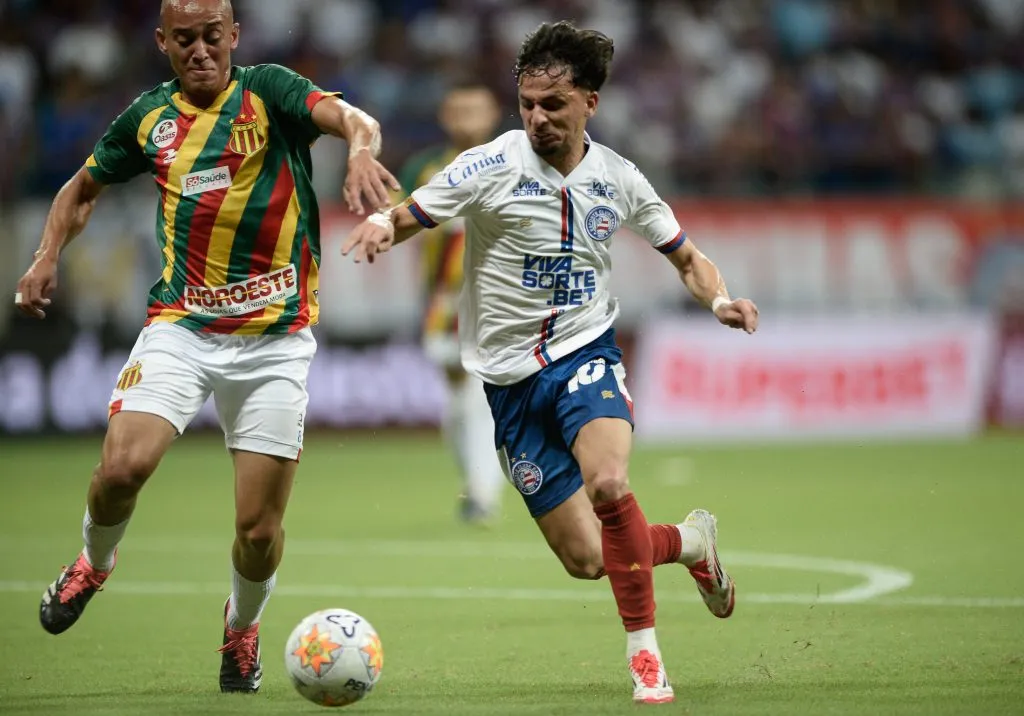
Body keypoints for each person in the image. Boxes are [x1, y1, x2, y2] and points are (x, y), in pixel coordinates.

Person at [342, 21, 759, 704]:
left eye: (553, 105)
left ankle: (646, 659)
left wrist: (718, 302)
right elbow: (416, 210)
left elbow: (686, 255)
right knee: (589, 559)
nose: (536, 117)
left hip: (584, 354)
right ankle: (689, 542)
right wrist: (384, 225)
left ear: (589, 102)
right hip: (508, 384)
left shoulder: (619, 179)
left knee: (610, 483)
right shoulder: (491, 164)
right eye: (527, 103)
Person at [14, 0, 398, 695]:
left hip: (277, 343)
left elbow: (353, 119)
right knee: (121, 470)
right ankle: (94, 563)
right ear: (162, 42)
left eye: (211, 36)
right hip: (182, 328)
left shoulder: (270, 93)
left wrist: (362, 147)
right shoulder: (149, 120)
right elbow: (81, 188)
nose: (199, 50)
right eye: (184, 39)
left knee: (257, 530)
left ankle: (241, 628)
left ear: (234, 37)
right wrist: (46, 257)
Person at [397, 81, 506, 524]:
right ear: (444, 115)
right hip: (443, 301)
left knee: (476, 392)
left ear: (493, 113)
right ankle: (477, 483)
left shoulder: (514, 162)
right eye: (458, 110)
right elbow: (395, 216)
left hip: (500, 298)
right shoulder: (425, 168)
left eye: (475, 109)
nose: (466, 119)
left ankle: (483, 492)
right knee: (459, 398)